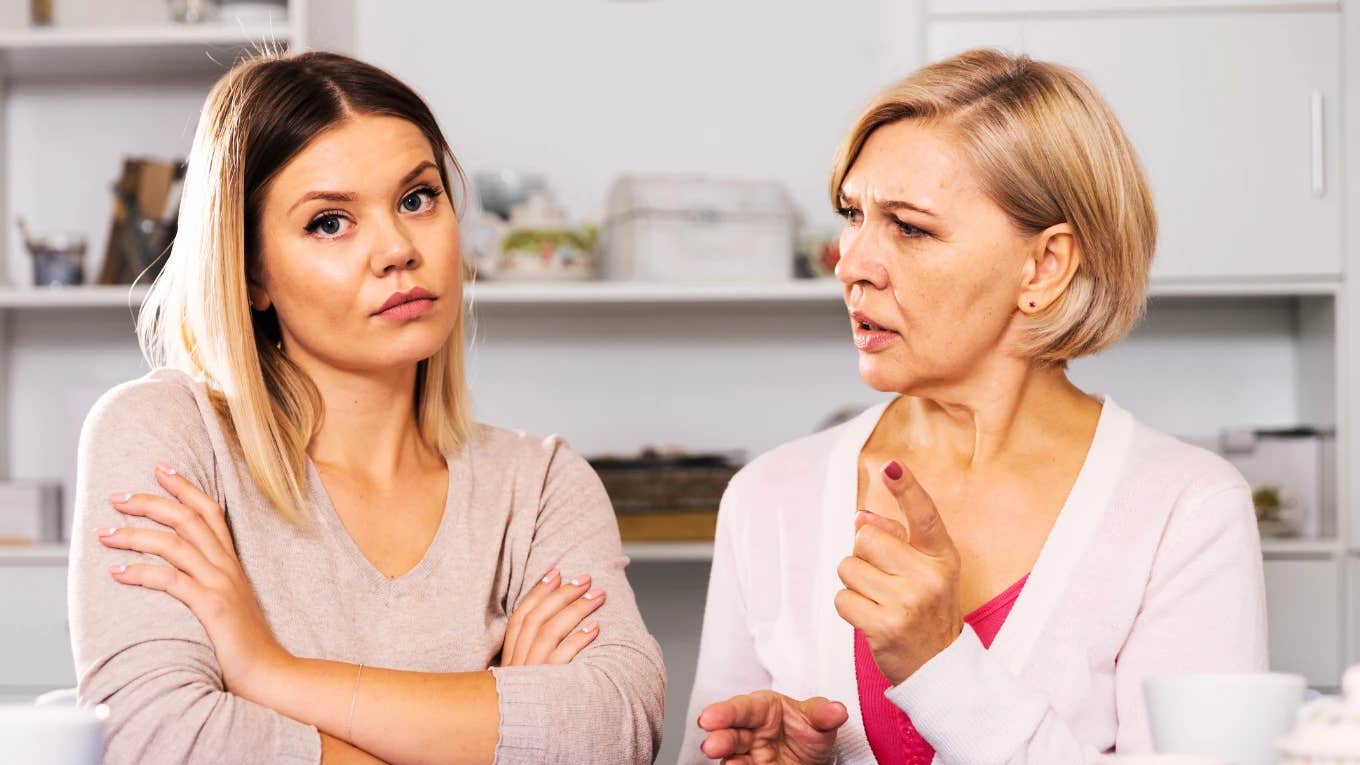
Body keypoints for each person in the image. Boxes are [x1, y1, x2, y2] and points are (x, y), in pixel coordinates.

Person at [69, 51, 664, 765]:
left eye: (417, 198)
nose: (397, 249)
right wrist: (495, 719)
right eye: (329, 222)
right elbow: (156, 737)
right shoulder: (167, 437)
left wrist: (267, 672)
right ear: (253, 270)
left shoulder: (538, 486)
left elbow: (615, 728)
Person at [681, 48, 1267, 763]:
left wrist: (940, 664)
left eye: (910, 227)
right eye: (852, 215)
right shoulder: (768, 497)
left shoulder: (1185, 509)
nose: (853, 263)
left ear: (1045, 266)